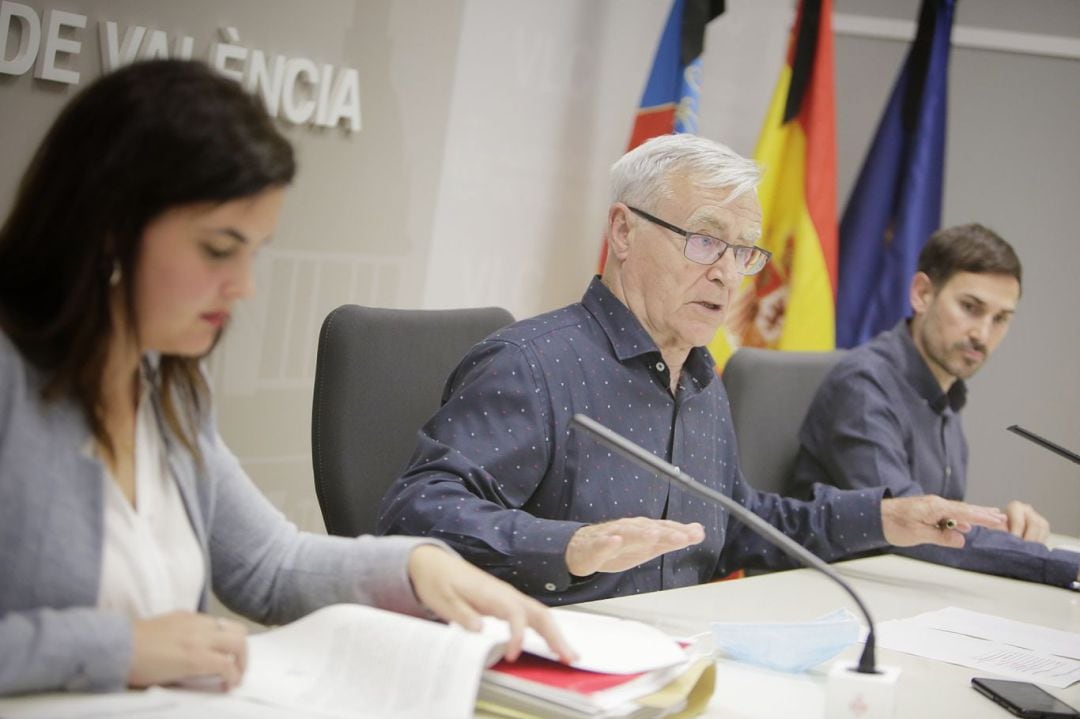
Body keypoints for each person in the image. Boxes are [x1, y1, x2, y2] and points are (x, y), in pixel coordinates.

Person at [0, 59, 574, 697]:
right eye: (219, 249)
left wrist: (416, 566)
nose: (243, 287)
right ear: (108, 227)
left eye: (253, 252)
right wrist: (121, 648)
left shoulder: (165, 388)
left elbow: (268, 566)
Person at [377, 133, 1007, 605]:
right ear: (622, 232)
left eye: (743, 251)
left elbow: (738, 527)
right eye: (704, 241)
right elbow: (416, 509)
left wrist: (885, 518)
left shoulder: (701, 381)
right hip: (558, 672)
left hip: (686, 662)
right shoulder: (531, 365)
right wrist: (565, 546)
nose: (728, 273)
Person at [790, 224, 1080, 588]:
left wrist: (1002, 526)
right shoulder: (864, 386)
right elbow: (918, 526)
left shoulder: (946, 392)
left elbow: (942, 521)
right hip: (829, 600)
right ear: (922, 293)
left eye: (1000, 319)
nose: (983, 334)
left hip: (905, 595)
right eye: (971, 308)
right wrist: (1060, 565)